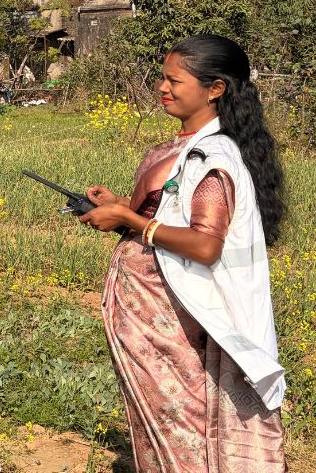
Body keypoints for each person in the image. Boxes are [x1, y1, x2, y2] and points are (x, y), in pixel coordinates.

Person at [78, 34, 287, 471]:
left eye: (175, 80)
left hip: (169, 315)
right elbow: (164, 214)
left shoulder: (213, 158)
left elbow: (205, 245)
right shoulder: (185, 148)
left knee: (176, 415)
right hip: (146, 305)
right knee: (154, 413)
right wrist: (119, 209)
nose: (162, 87)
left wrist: (132, 221)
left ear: (215, 89)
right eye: (162, 77)